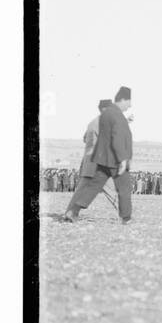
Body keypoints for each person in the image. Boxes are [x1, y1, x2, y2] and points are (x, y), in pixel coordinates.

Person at [61, 86, 134, 223]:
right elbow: (114, 137)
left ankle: (72, 211)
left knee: (87, 188)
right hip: (102, 160)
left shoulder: (93, 122)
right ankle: (126, 217)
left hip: (91, 160)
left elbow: (86, 138)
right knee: (120, 188)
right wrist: (122, 158)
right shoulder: (106, 120)